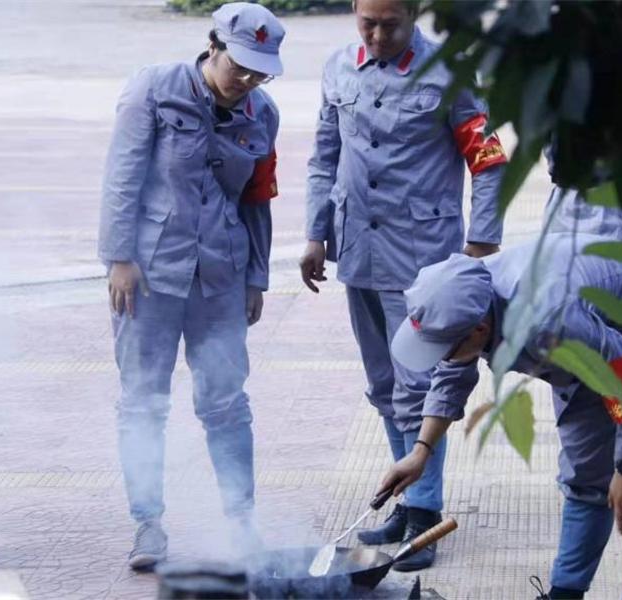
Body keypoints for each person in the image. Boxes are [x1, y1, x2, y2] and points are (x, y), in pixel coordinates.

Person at [298, 0, 507, 570]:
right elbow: (324, 156)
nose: (377, 35)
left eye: (390, 25)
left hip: (421, 257)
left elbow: (487, 158)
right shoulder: (338, 67)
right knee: (385, 384)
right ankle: (408, 499)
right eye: (367, 22)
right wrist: (315, 233)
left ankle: (425, 514)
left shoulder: (450, 71)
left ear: (414, 15)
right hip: (357, 252)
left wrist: (480, 243)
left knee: (420, 385)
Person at [380, 235, 622, 599]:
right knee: (584, 475)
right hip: (588, 352)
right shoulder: (461, 299)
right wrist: (421, 451)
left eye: (445, 349)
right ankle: (565, 594)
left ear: (480, 330)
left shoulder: (546, 319)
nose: (441, 357)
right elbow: (452, 372)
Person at [98, 2, 284, 569]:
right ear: (213, 46)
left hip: (222, 276)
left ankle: (241, 523)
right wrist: (119, 258)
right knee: (143, 401)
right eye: (239, 66)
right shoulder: (153, 89)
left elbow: (257, 200)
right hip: (148, 276)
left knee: (226, 401)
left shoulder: (263, 114)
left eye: (259, 72)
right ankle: (148, 525)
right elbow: (122, 177)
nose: (246, 80)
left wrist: (257, 277)